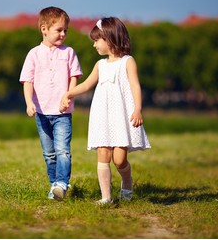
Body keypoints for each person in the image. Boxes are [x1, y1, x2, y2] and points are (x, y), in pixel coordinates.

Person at [60, 17, 150, 204]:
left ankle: (126, 180)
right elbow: (85, 85)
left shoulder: (128, 62)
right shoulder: (100, 65)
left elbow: (135, 86)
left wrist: (138, 109)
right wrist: (69, 93)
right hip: (103, 115)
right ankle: (106, 197)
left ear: (109, 39)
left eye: (96, 41)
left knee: (119, 160)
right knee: (103, 153)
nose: (94, 46)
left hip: (121, 116)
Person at [19, 6, 83, 201]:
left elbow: (74, 76)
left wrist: (68, 95)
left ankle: (62, 183)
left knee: (63, 149)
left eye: (66, 30)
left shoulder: (69, 52)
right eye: (59, 30)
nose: (63, 34)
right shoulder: (34, 54)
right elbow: (27, 81)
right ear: (44, 29)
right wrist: (29, 102)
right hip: (41, 112)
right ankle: (54, 185)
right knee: (49, 153)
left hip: (62, 113)